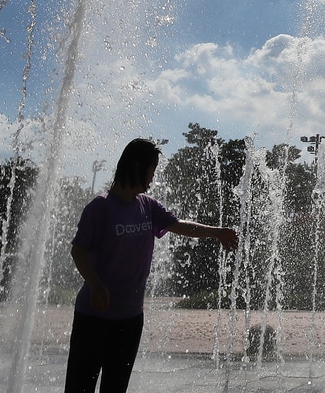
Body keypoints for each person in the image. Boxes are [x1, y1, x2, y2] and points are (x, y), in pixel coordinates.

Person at [65, 137, 238, 393]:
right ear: (137, 167)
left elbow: (180, 225)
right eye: (151, 171)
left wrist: (218, 232)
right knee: (80, 387)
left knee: (115, 387)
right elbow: (78, 250)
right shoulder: (101, 207)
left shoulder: (148, 206)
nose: (152, 178)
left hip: (131, 317)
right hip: (94, 316)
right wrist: (96, 284)